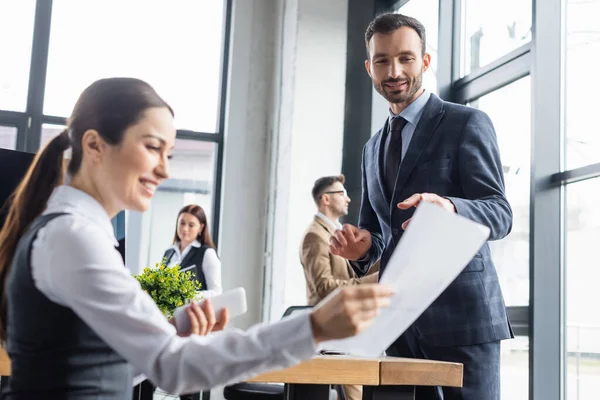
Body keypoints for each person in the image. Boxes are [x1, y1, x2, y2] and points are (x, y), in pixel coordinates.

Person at [0, 77, 394, 398]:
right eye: (153, 148)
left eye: (169, 154)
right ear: (94, 145)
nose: (164, 171)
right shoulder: (73, 237)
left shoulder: (69, 230)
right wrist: (314, 328)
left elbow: (94, 364)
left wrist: (171, 331)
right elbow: (173, 368)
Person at [330, 13, 513, 400]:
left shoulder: (466, 123)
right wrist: (362, 250)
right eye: (382, 60)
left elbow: (499, 212)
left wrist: (448, 206)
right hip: (400, 324)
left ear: (425, 61)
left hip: (463, 321)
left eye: (406, 58)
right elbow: (377, 235)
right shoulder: (371, 148)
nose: (394, 70)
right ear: (369, 67)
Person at [300, 174, 378, 400]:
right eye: (341, 193)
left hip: (348, 327)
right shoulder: (315, 236)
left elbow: (350, 276)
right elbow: (324, 288)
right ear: (326, 199)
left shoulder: (337, 232)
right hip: (333, 330)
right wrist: (374, 282)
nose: (348, 199)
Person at [165, 204, 222, 298]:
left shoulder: (207, 253)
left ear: (201, 228)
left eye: (191, 225)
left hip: (193, 310)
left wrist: (188, 296)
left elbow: (216, 293)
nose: (185, 229)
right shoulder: (169, 253)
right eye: (182, 223)